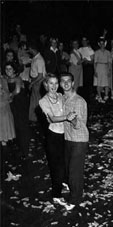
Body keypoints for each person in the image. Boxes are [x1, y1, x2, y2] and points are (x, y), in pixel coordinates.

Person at [39, 73, 75, 205]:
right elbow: (52, 118)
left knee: (65, 161)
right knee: (56, 166)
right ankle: (56, 194)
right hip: (53, 136)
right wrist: (67, 116)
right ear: (46, 85)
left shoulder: (60, 96)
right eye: (50, 83)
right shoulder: (43, 101)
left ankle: (62, 182)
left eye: (55, 83)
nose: (53, 86)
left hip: (64, 134)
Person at [60, 72, 89, 210]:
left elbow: (79, 125)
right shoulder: (62, 98)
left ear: (73, 83)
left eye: (68, 81)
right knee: (67, 166)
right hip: (67, 137)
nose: (66, 83)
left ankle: (75, 199)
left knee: (75, 171)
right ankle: (69, 186)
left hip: (79, 139)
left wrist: (73, 119)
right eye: (63, 81)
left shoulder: (78, 101)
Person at [4, 62, 30, 158]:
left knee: (22, 127)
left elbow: (17, 91)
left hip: (20, 104)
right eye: (6, 69)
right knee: (16, 126)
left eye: (10, 69)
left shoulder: (17, 78)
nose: (8, 71)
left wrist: (9, 96)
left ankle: (25, 151)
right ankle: (21, 149)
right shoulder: (7, 79)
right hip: (14, 104)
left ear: (14, 70)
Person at [28, 41, 46, 122]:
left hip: (37, 83)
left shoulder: (39, 60)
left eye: (29, 49)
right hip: (35, 81)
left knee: (37, 102)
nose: (29, 51)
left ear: (32, 49)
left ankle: (37, 119)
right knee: (34, 101)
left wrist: (32, 83)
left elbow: (40, 75)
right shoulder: (35, 58)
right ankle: (34, 118)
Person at [94, 37, 111, 103]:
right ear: (99, 44)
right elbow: (95, 62)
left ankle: (106, 95)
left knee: (106, 83)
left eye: (103, 43)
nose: (102, 45)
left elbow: (109, 62)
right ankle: (99, 96)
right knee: (99, 82)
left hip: (105, 67)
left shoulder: (108, 52)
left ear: (105, 44)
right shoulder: (97, 52)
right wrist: (95, 71)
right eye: (101, 44)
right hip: (99, 67)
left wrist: (109, 70)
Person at [0, 76, 15, 146]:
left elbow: (8, 94)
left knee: (4, 122)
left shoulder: (3, 80)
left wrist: (4, 94)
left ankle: (3, 141)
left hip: (3, 106)